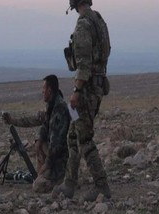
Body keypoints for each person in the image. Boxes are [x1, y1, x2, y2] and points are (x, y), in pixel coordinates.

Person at [52, 0, 111, 202]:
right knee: (73, 135)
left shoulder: (83, 24)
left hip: (85, 90)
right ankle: (69, 183)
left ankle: (101, 185)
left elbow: (84, 62)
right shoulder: (99, 20)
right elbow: (105, 52)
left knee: (84, 138)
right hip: (96, 86)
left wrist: (77, 90)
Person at [3, 75, 71, 193]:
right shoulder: (51, 105)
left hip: (60, 159)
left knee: (37, 187)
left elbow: (56, 145)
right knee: (39, 143)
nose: (42, 91)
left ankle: (61, 179)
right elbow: (39, 122)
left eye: (43, 88)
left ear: (49, 90)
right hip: (56, 155)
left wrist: (47, 165)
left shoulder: (59, 109)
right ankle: (44, 175)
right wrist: (12, 121)